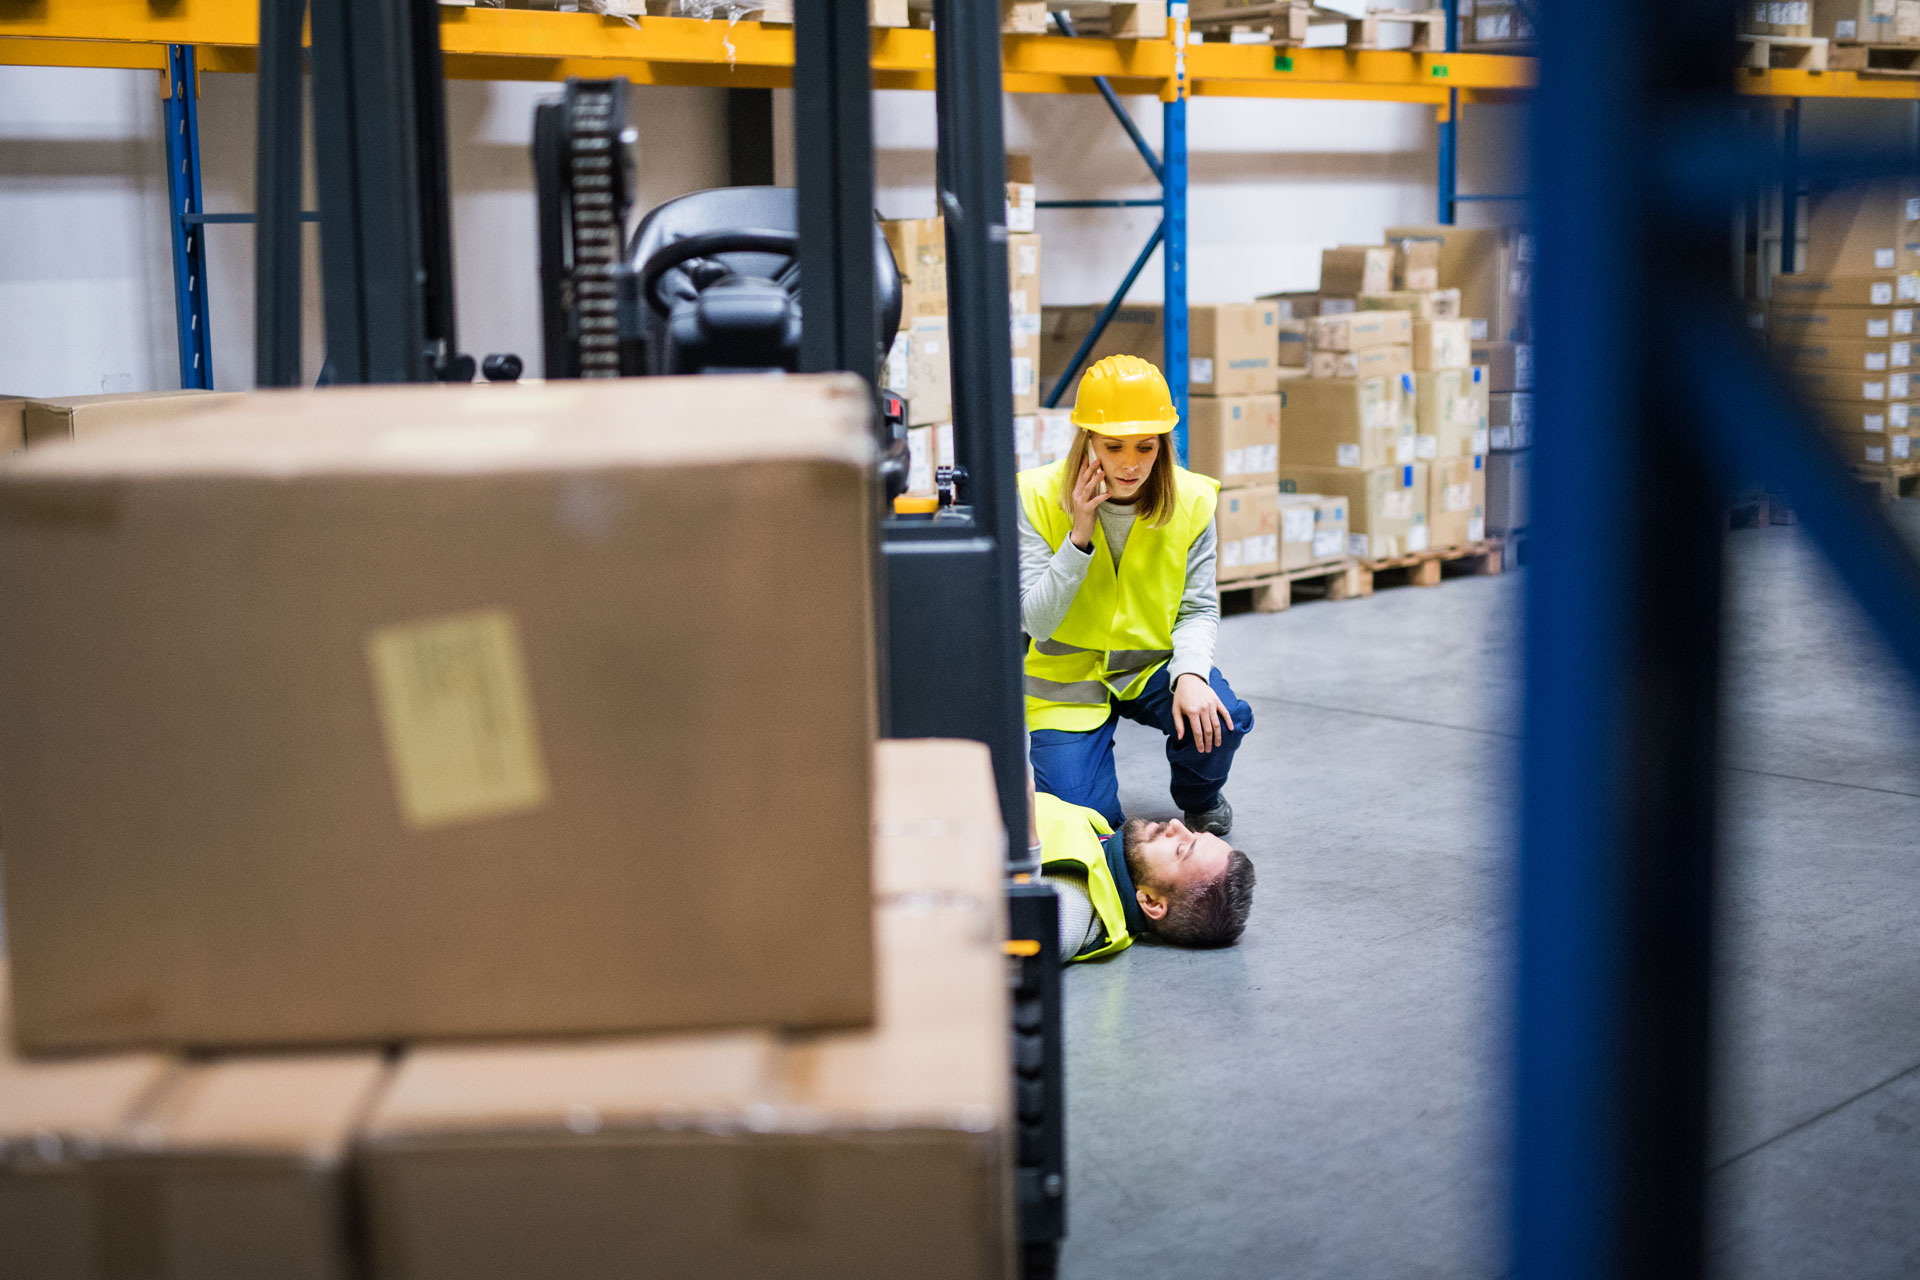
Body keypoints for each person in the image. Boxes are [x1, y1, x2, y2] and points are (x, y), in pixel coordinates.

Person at [1017, 353, 1255, 836]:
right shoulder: (1035, 497)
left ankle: (1199, 795)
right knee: (1089, 828)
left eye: (1145, 448)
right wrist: (1078, 535)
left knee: (1221, 718)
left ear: (1163, 445)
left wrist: (1189, 674)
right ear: (1086, 442)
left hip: (1151, 667)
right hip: (1067, 681)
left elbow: (1198, 608)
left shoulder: (1192, 501)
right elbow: (1035, 622)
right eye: (1113, 446)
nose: (1130, 465)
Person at [1034, 788, 1255, 962]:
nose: (1176, 825)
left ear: (1151, 902)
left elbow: (1015, 952)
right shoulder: (1103, 848)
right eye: (1192, 832)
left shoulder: (1072, 909)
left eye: (1181, 849)